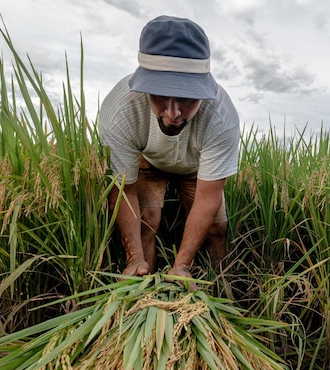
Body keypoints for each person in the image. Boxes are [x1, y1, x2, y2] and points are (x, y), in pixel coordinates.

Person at [99, 16, 240, 285]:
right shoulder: (120, 111)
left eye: (186, 98)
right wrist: (134, 257)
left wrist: (182, 266)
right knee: (146, 222)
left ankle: (221, 289)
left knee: (216, 229)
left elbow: (208, 197)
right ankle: (140, 290)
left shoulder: (222, 116)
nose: (173, 113)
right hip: (148, 161)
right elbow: (123, 190)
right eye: (160, 96)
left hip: (196, 167)